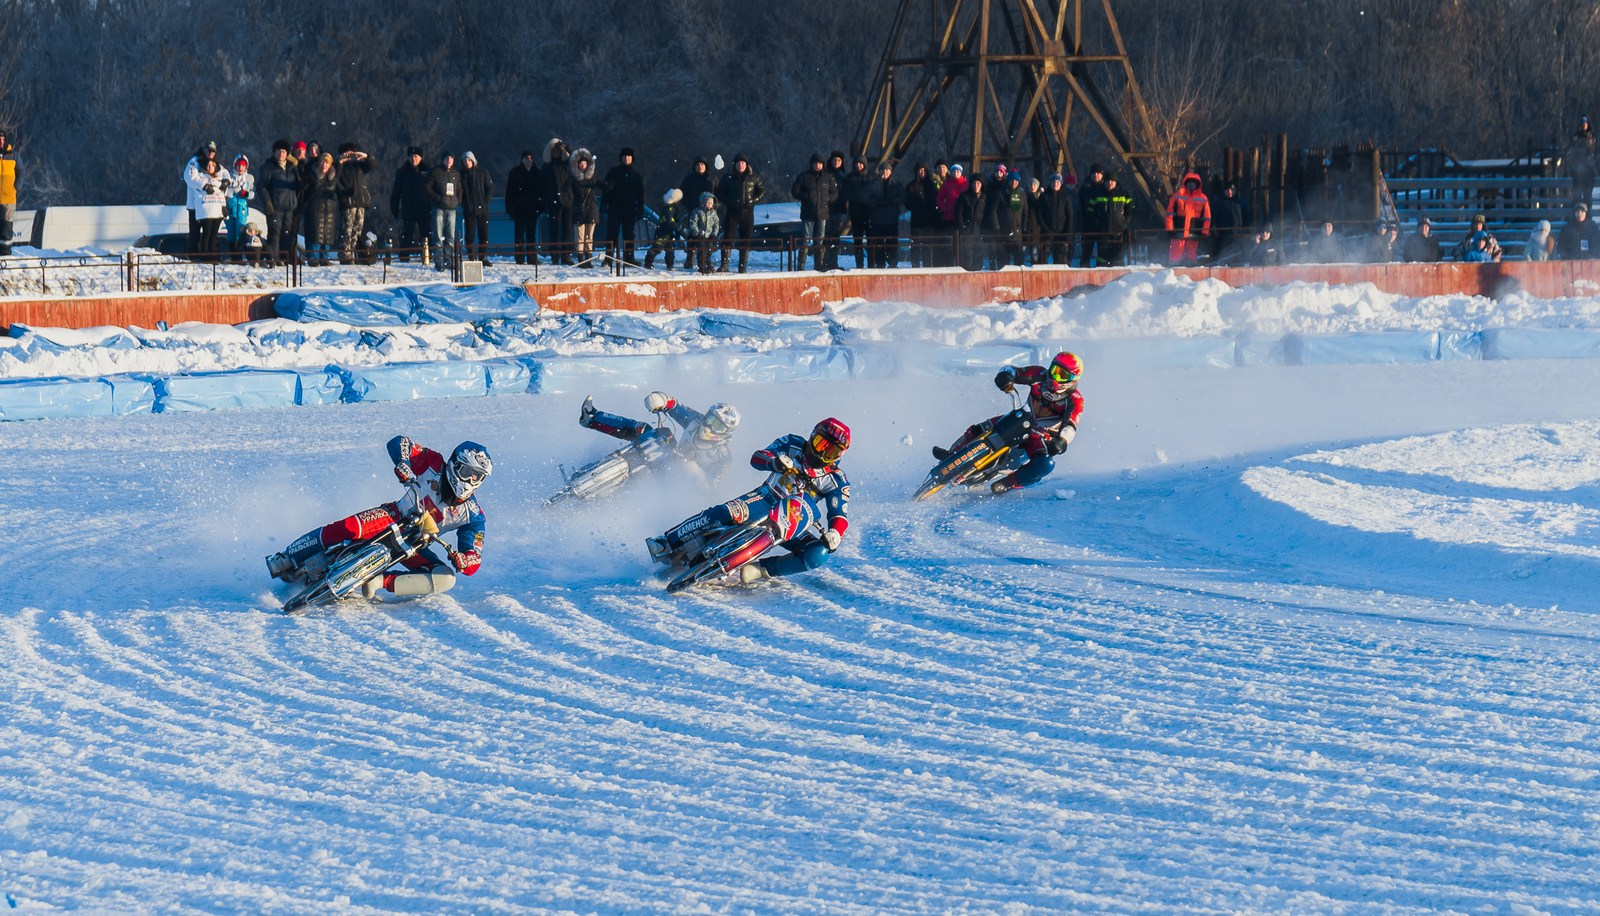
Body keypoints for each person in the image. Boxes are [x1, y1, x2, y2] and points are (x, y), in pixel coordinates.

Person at [266, 438, 491, 600]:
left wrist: (464, 560)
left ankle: (378, 580)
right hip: (392, 517)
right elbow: (400, 442)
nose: (470, 481)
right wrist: (403, 462)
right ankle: (289, 556)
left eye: (477, 476)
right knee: (349, 527)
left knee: (446, 578)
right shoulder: (433, 463)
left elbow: (474, 555)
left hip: (414, 544)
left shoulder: (473, 515)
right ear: (454, 465)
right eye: (467, 472)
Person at [647, 418, 851, 584]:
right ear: (812, 437)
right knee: (722, 514)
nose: (823, 452)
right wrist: (774, 462)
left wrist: (835, 533)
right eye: (821, 444)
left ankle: (761, 570)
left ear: (838, 455)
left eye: (830, 451)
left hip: (793, 521)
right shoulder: (792, 443)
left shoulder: (837, 480)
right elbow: (757, 457)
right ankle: (667, 542)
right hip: (764, 499)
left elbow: (839, 514)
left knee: (817, 554)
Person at [932, 352, 1084, 495]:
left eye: (1062, 375)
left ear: (1072, 380)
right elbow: (1012, 370)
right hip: (1019, 418)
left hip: (1039, 436)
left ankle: (1009, 483)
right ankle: (951, 455)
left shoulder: (1074, 400)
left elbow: (1071, 425)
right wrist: (1006, 376)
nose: (1055, 377)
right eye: (1054, 369)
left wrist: (1062, 441)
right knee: (978, 429)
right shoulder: (1039, 374)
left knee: (1044, 465)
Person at [579, 391, 740, 483]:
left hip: (677, 487)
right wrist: (662, 400)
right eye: (710, 419)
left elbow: (710, 490)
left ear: (726, 432)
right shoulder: (696, 420)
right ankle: (592, 419)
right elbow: (675, 407)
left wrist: (695, 472)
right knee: (648, 431)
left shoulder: (723, 458)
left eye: (717, 425)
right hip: (666, 458)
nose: (709, 426)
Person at [791, 153, 838, 272]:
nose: (817, 165)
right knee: (805, 240)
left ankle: (819, 265)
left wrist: (828, 198)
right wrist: (805, 196)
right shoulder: (804, 176)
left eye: (820, 163)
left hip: (822, 214)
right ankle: (800, 266)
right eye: (815, 163)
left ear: (823, 165)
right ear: (811, 164)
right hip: (808, 213)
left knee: (819, 240)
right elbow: (794, 190)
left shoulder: (828, 177)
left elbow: (835, 193)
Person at [718, 154, 765, 272]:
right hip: (732, 211)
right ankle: (725, 264)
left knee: (746, 239)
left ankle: (742, 266)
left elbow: (762, 191)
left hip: (748, 211)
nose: (740, 165)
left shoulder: (753, 177)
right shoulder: (727, 177)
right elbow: (719, 192)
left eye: (743, 163)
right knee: (728, 238)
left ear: (746, 165)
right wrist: (729, 201)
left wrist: (752, 201)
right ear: (734, 164)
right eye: (738, 163)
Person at [259, 140, 301, 266]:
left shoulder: (292, 167)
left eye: (283, 151)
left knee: (287, 233)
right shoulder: (269, 166)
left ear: (287, 153)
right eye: (278, 151)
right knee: (274, 232)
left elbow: (298, 185)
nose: (281, 154)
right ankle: (274, 258)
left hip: (289, 206)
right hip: (275, 207)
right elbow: (261, 186)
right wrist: (267, 202)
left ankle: (285, 257)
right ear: (274, 152)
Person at [602, 148, 645, 266]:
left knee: (629, 234)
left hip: (630, 209)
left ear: (632, 158)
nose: (627, 158)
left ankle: (629, 258)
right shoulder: (613, 172)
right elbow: (606, 189)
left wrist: (640, 208)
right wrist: (603, 204)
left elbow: (640, 193)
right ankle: (608, 258)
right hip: (614, 208)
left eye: (629, 156)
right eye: (625, 156)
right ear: (621, 158)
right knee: (612, 233)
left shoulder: (636, 175)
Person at [505, 150, 547, 265]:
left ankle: (532, 258)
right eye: (527, 158)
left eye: (531, 158)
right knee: (519, 235)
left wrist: (540, 207)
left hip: (532, 210)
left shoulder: (537, 173)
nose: (529, 160)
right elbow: (509, 193)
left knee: (531, 236)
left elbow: (542, 192)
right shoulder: (514, 173)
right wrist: (510, 209)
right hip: (519, 210)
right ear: (522, 159)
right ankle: (519, 258)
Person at [390, 147, 431, 261]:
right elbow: (396, 192)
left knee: (426, 234)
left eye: (416, 156)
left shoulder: (427, 171)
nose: (414, 159)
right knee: (407, 234)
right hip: (408, 208)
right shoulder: (402, 172)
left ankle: (429, 256)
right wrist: (395, 208)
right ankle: (404, 256)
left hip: (424, 208)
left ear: (420, 158)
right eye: (411, 157)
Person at [335, 143, 373, 264]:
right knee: (346, 230)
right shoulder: (339, 167)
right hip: (347, 202)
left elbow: (372, 164)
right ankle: (345, 255)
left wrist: (365, 156)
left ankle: (353, 254)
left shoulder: (359, 166)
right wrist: (340, 161)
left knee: (357, 230)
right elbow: (334, 176)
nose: (349, 156)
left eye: (352, 153)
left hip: (361, 202)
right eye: (347, 153)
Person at [862, 160, 904, 268]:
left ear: (890, 171)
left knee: (892, 244)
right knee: (878, 244)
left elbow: (903, 197)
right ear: (879, 171)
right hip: (877, 220)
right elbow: (865, 197)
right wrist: (876, 202)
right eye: (882, 170)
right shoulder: (873, 184)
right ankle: (880, 263)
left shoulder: (897, 184)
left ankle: (893, 264)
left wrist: (892, 201)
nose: (884, 172)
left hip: (892, 220)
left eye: (887, 170)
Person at [300, 153, 341, 264]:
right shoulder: (312, 175)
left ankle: (324, 259)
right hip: (314, 209)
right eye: (322, 162)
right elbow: (302, 189)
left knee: (326, 236)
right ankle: (313, 259)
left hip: (329, 211)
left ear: (330, 164)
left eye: (326, 162)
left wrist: (349, 192)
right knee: (315, 235)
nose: (324, 165)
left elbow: (340, 190)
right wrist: (305, 182)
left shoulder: (333, 178)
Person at [426, 150, 462, 269]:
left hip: (452, 208)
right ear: (443, 159)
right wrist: (437, 198)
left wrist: (458, 200)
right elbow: (426, 187)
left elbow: (460, 188)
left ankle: (449, 260)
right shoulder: (435, 171)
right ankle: (439, 261)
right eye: (447, 158)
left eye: (451, 158)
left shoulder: (456, 173)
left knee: (450, 236)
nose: (449, 161)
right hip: (438, 208)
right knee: (438, 236)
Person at [1165, 172, 1211, 263]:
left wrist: (1204, 231)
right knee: (1175, 255)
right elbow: (1170, 213)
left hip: (1194, 232)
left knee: (1191, 256)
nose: (1191, 184)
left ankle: (1191, 272)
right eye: (1189, 182)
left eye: (1193, 182)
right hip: (1179, 231)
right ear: (1185, 183)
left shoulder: (1203, 198)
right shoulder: (1177, 196)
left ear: (1197, 184)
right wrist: (1170, 229)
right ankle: (1173, 272)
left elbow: (1206, 217)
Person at [1089, 174, 1133, 266]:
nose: (1109, 183)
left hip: (1119, 231)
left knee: (1118, 257)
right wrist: (1096, 224)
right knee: (1102, 257)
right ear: (1104, 182)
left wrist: (1125, 223)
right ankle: (1100, 276)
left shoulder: (1124, 194)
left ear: (1115, 182)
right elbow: (1091, 211)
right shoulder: (1097, 194)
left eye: (1112, 181)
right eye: (1107, 181)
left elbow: (1130, 210)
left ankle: (1119, 277)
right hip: (1102, 231)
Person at [568, 148, 601, 267]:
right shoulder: (573, 178)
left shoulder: (593, 178)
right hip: (578, 210)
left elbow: (603, 185)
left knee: (589, 237)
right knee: (579, 237)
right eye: (581, 163)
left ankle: (588, 260)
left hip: (591, 210)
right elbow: (565, 189)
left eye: (585, 163)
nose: (583, 165)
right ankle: (581, 260)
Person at [188, 158, 229, 255]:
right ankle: (205, 255)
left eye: (213, 165)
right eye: (209, 165)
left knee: (214, 235)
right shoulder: (201, 177)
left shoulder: (218, 178)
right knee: (206, 234)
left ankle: (214, 255)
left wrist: (223, 206)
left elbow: (221, 193)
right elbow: (198, 190)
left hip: (217, 210)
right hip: (206, 210)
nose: (211, 167)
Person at [459, 151, 494, 263]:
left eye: (469, 160)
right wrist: (462, 203)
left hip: (482, 208)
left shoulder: (482, 172)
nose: (467, 163)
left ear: (473, 161)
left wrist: (485, 201)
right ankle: (472, 258)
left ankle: (483, 257)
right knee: (470, 235)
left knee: (484, 234)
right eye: (465, 161)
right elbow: (458, 191)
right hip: (468, 209)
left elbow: (490, 187)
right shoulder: (460, 175)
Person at [904, 163, 941, 268]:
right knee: (915, 246)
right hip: (917, 221)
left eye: (924, 170)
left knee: (927, 247)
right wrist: (918, 210)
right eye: (920, 170)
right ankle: (915, 267)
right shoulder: (911, 186)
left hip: (929, 221)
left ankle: (927, 266)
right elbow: (908, 202)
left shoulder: (931, 185)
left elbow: (936, 199)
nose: (922, 173)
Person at [543, 138, 574, 264]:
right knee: (553, 229)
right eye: (554, 151)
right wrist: (544, 200)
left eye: (558, 151)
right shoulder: (546, 166)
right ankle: (554, 255)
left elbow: (576, 156)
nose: (556, 153)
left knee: (567, 229)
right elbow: (543, 185)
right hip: (553, 201)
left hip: (567, 200)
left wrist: (566, 146)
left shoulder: (567, 164)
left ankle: (565, 255)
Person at [989, 171, 1028, 268]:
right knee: (1003, 264)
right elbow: (993, 211)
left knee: (1019, 264)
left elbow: (1025, 212)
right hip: (1003, 234)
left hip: (1017, 235)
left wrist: (1024, 228)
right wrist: (997, 228)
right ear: (1008, 181)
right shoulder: (1000, 193)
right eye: (1011, 180)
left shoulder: (1022, 195)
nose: (1014, 182)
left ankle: (1018, 283)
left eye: (1016, 180)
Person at [842, 156, 874, 268]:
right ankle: (859, 265)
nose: (858, 166)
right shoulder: (850, 177)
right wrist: (858, 197)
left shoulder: (872, 176)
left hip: (870, 213)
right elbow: (846, 193)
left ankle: (871, 264)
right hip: (856, 214)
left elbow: (876, 192)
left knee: (871, 241)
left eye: (860, 163)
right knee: (858, 242)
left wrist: (867, 199)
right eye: (856, 163)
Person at [1036, 173, 1075, 265]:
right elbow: (1039, 214)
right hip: (1047, 233)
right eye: (1054, 182)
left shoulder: (1065, 197)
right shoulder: (1044, 196)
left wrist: (1068, 231)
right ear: (1050, 183)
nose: (1055, 184)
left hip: (1061, 233)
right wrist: (1045, 229)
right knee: (1042, 259)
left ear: (1061, 183)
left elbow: (1070, 214)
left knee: (1060, 261)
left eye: (1058, 182)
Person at [643, 188, 687, 269]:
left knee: (670, 249)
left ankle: (670, 265)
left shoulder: (675, 208)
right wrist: (679, 228)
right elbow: (670, 222)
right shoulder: (668, 209)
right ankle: (648, 263)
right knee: (656, 247)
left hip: (669, 233)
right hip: (662, 233)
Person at [935, 163, 968, 267]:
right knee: (949, 245)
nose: (955, 173)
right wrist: (946, 209)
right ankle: (948, 265)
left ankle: (961, 265)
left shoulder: (966, 184)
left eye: (958, 171)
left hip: (962, 219)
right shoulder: (946, 184)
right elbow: (938, 199)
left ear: (961, 173)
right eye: (953, 171)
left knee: (961, 245)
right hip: (949, 219)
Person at [681, 191, 721, 274]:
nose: (709, 205)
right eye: (708, 203)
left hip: (709, 236)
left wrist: (714, 234)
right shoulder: (698, 211)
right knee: (703, 251)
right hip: (700, 236)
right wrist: (697, 233)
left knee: (709, 251)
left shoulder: (713, 213)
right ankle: (702, 267)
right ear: (703, 203)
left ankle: (709, 265)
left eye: (711, 204)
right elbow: (693, 222)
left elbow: (716, 224)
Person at [225, 155, 255, 262]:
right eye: (238, 166)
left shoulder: (249, 178)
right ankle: (234, 257)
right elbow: (223, 192)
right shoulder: (228, 176)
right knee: (231, 233)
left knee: (242, 232)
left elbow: (253, 194)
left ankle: (242, 256)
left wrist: (245, 193)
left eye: (243, 166)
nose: (240, 168)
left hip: (242, 209)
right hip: (230, 208)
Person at [954, 176, 987, 271]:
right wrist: (962, 227)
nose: (976, 186)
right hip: (967, 231)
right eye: (974, 183)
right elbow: (958, 212)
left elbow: (987, 213)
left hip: (980, 231)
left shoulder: (984, 197)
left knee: (979, 256)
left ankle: (976, 278)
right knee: (966, 256)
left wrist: (985, 227)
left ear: (981, 185)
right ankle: (965, 280)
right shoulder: (964, 196)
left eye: (978, 183)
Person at [1078, 163, 1107, 265]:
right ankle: (1084, 269)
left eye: (1098, 173)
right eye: (1094, 173)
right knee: (1086, 251)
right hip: (1087, 224)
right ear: (1090, 174)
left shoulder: (1106, 189)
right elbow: (1079, 208)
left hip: (1102, 224)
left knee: (1103, 252)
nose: (1096, 175)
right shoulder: (1084, 188)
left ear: (1102, 175)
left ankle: (1102, 271)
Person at [826, 150, 850, 269]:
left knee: (835, 237)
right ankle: (825, 263)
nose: (836, 162)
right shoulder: (825, 174)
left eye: (839, 160)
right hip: (825, 210)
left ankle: (833, 262)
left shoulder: (843, 176)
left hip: (837, 210)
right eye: (834, 159)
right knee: (826, 237)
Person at [1210, 184, 1244, 262]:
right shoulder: (1218, 202)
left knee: (1236, 252)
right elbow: (1213, 216)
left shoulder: (1239, 202)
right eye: (1227, 190)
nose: (1229, 192)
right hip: (1223, 234)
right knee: (1223, 253)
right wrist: (1214, 229)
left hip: (1237, 234)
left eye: (1231, 190)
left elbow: (1245, 216)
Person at [0, 131, 14, 255]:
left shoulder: (13, 156)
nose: (1, 142)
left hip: (8, 199)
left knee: (6, 228)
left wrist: (16, 187)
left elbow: (21, 171)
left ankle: (5, 255)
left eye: (3, 139)